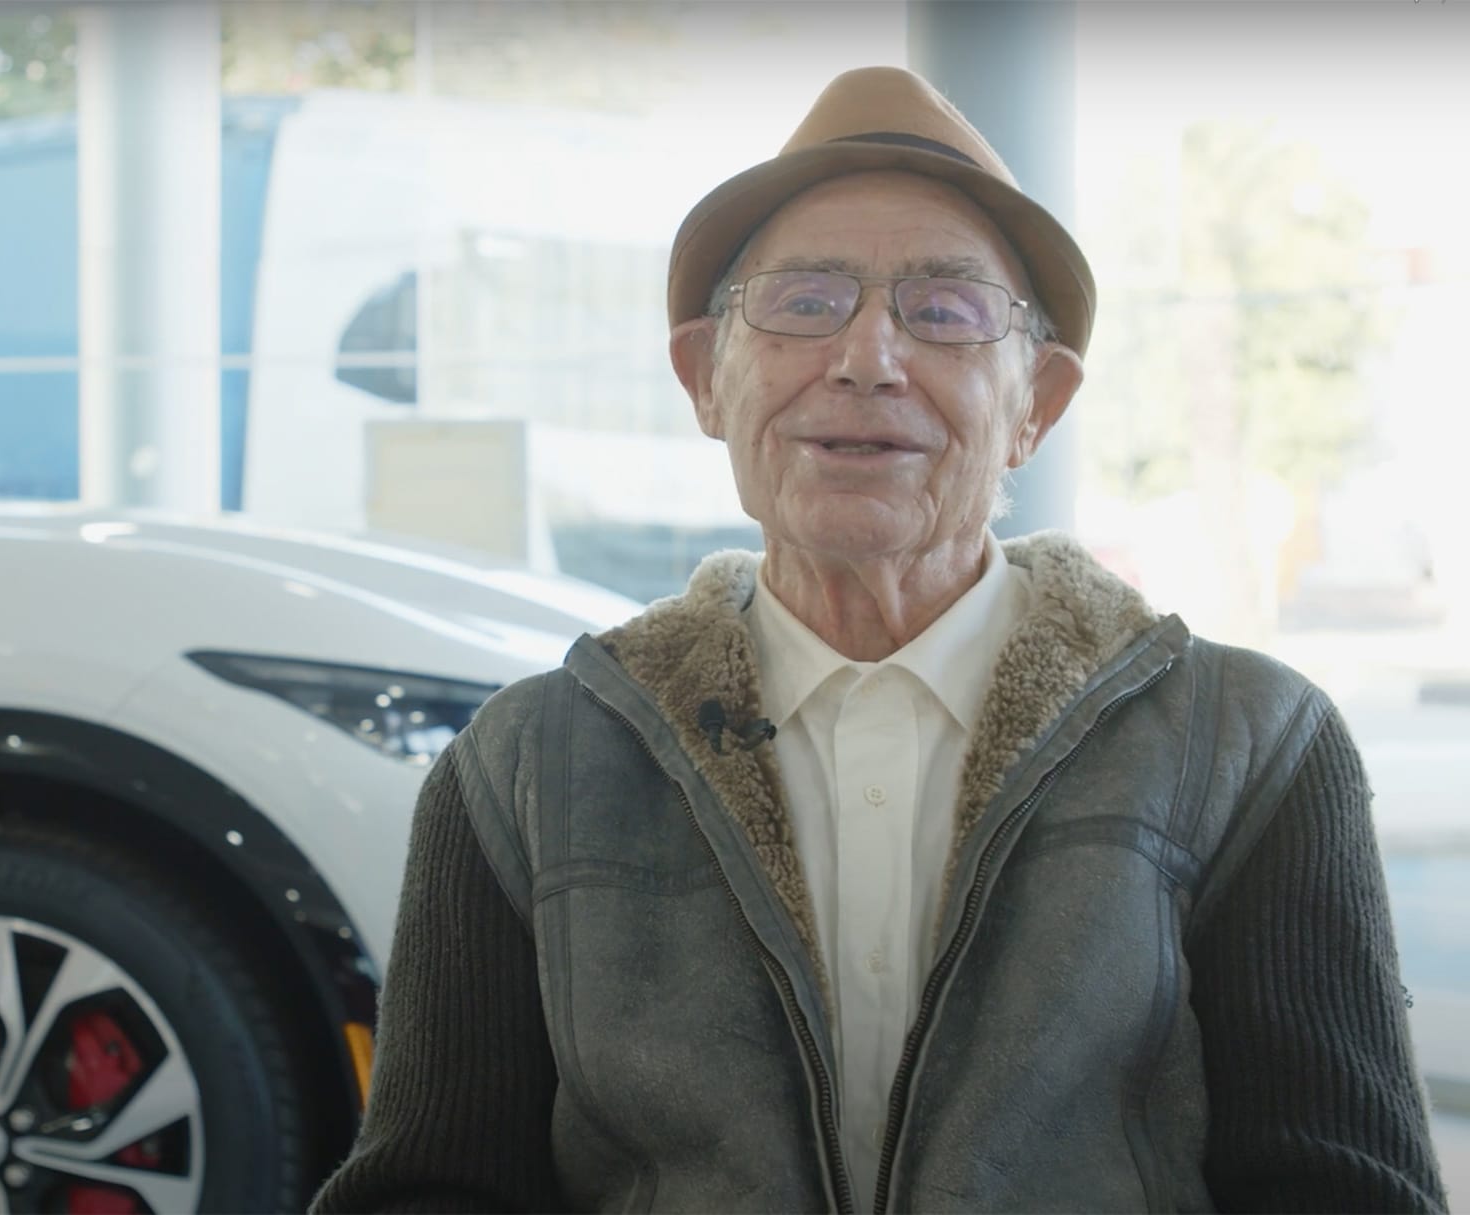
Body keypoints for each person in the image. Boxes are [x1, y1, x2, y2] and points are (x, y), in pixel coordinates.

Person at [311, 66, 1445, 1213]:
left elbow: (1342, 1189)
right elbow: (431, 1191)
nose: (867, 359)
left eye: (944, 313)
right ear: (705, 377)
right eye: (804, 303)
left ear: (1036, 405)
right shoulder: (527, 766)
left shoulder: (1247, 747)